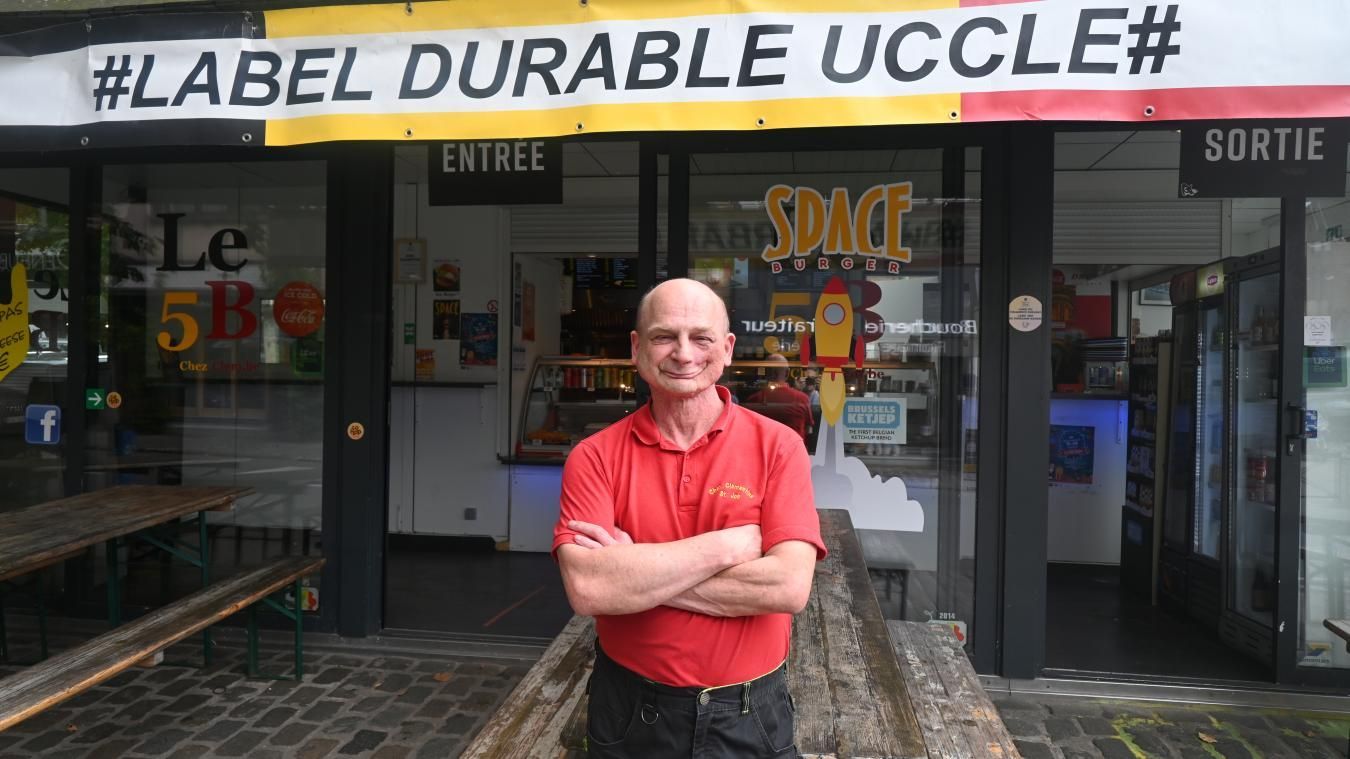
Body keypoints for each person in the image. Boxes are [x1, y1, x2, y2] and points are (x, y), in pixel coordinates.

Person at [553, 278, 825, 758]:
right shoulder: (593, 456)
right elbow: (590, 590)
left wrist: (633, 568)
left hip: (751, 712)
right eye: (664, 336)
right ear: (637, 347)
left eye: (700, 337)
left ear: (726, 348)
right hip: (631, 709)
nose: (683, 353)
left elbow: (787, 587)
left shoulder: (779, 447)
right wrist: (730, 547)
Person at [744, 353, 814, 441]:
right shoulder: (802, 399)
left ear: (765, 373)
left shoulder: (753, 400)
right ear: (787, 373)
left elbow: (749, 433)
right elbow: (809, 430)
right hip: (794, 452)